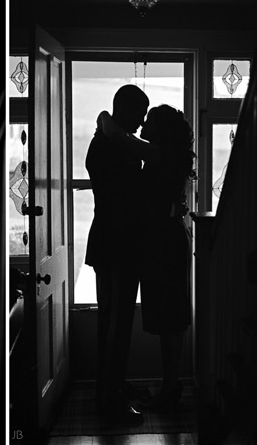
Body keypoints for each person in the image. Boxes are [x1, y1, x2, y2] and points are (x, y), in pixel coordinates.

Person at [98, 104, 195, 412]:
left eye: (149, 121)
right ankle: (170, 385)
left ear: (161, 129)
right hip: (162, 239)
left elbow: (117, 135)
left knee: (170, 318)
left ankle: (170, 386)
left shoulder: (160, 153)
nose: (142, 126)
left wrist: (103, 116)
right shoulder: (164, 153)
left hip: (165, 241)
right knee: (167, 317)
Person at [84, 84, 148, 424]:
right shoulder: (114, 146)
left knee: (113, 322)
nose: (140, 122)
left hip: (109, 243)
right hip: (117, 245)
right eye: (138, 113)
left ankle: (113, 388)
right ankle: (109, 399)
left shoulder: (105, 141)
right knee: (116, 325)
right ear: (122, 108)